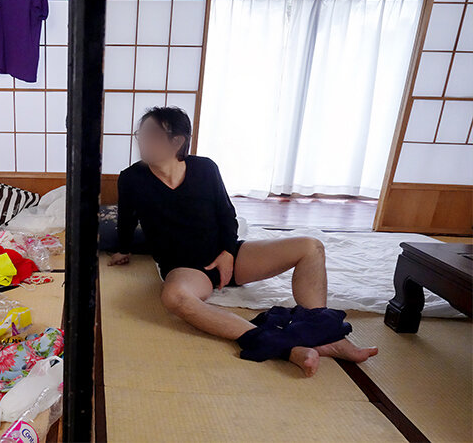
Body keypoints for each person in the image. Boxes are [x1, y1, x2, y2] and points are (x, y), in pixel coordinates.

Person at [108, 106, 377, 377]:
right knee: (174, 297)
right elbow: (127, 218)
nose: (143, 141)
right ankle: (284, 346)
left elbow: (227, 215)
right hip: (187, 269)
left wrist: (227, 253)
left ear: (177, 141)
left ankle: (326, 335)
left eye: (151, 135)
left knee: (311, 246)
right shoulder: (132, 178)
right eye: (141, 134)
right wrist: (123, 249)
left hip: (231, 256)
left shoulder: (205, 168)